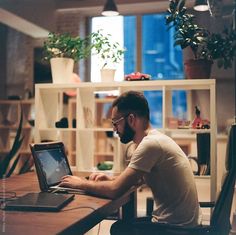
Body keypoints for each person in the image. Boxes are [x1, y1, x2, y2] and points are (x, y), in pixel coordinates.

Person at [59, 90, 202, 234]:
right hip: (185, 225)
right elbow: (137, 180)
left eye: (115, 123)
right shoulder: (156, 139)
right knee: (122, 226)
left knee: (119, 229)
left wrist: (80, 183)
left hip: (178, 229)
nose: (114, 129)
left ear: (131, 119)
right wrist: (112, 179)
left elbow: (115, 190)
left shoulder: (150, 144)